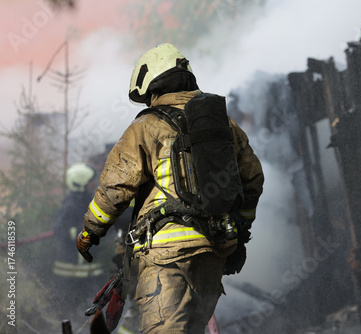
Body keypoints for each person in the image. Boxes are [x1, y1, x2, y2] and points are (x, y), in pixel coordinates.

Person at [76, 43, 264, 333]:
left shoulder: (147, 126)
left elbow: (115, 188)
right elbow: (252, 179)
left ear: (153, 86)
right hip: (213, 252)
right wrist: (241, 230)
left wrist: (90, 232)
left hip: (166, 256)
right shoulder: (224, 124)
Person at [52, 162, 104, 321]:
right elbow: (59, 230)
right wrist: (86, 233)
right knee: (72, 309)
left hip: (86, 269)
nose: (93, 184)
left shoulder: (88, 201)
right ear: (80, 183)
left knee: (88, 306)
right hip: (71, 270)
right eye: (90, 181)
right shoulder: (71, 205)